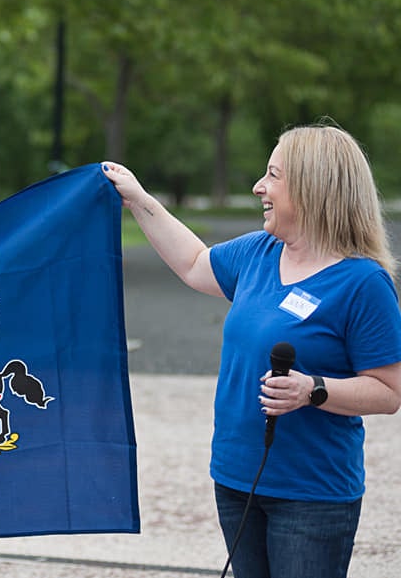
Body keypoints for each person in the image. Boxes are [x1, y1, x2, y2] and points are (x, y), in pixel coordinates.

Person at [102, 122, 401, 578]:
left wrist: (314, 390)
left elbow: (389, 391)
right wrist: (139, 199)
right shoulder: (259, 252)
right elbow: (194, 263)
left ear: (312, 187)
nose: (259, 186)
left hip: (311, 495)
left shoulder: (363, 283)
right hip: (235, 478)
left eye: (274, 176)